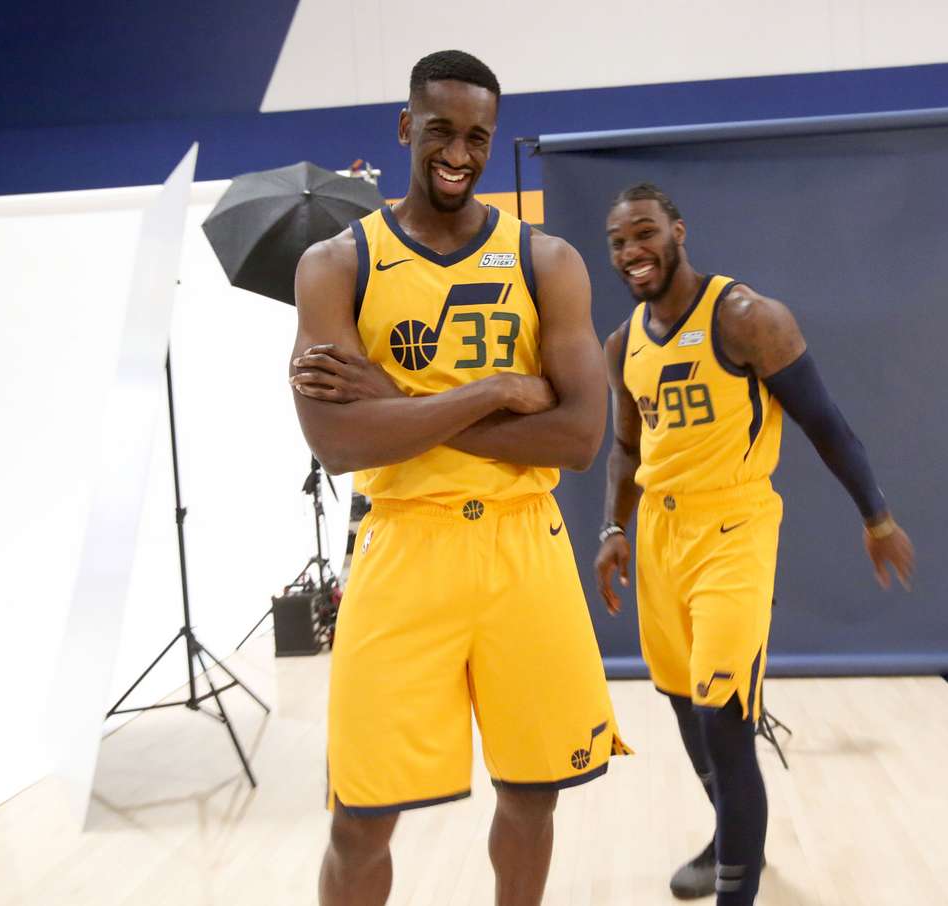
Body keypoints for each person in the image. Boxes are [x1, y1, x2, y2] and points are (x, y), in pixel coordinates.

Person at [289, 50, 627, 906]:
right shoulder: (337, 264)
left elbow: (580, 437)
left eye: (478, 137)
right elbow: (339, 442)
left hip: (524, 549)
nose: (458, 153)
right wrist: (495, 392)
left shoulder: (546, 261)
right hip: (405, 548)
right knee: (358, 817)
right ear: (407, 127)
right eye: (440, 130)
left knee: (533, 792)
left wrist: (400, 404)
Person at [594, 183, 915, 905]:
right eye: (618, 242)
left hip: (733, 528)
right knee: (684, 705)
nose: (632, 251)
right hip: (661, 538)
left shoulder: (746, 317)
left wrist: (877, 518)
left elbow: (826, 424)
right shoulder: (622, 344)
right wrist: (614, 528)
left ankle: (735, 889)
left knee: (725, 716)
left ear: (678, 231)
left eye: (644, 233)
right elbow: (627, 446)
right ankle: (733, 841)